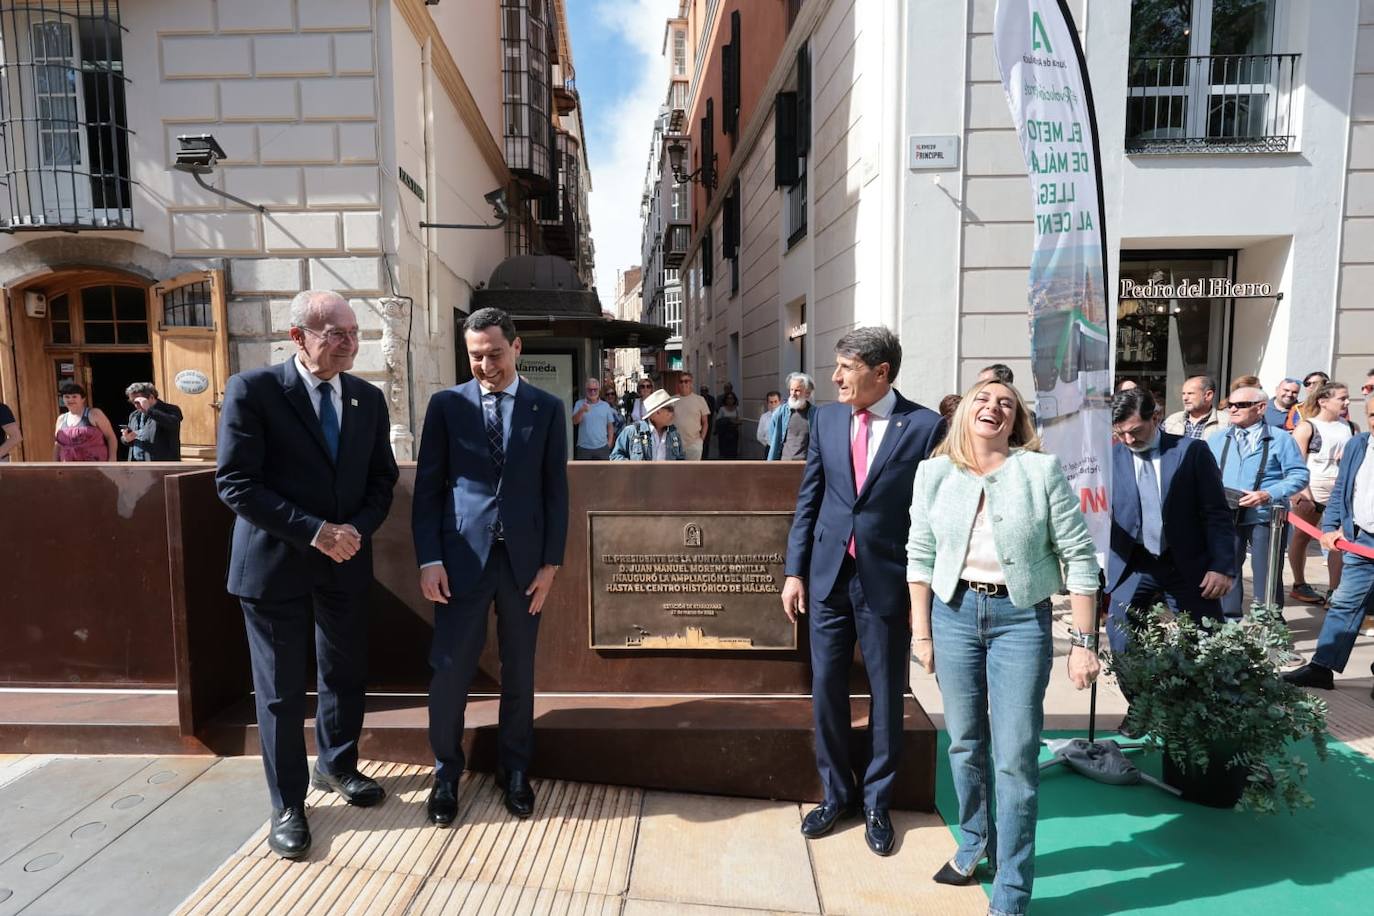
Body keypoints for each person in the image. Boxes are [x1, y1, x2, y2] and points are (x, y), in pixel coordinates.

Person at [215, 289, 399, 859]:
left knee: (343, 672)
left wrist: (355, 531)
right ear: (298, 337)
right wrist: (317, 530)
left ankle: (338, 768)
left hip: (344, 561)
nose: (348, 343)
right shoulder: (256, 390)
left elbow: (381, 481)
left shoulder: (368, 398)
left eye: (353, 332)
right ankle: (288, 802)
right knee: (280, 692)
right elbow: (236, 483)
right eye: (334, 333)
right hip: (274, 566)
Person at [907, 379, 1099, 910]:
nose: (994, 408)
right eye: (985, 400)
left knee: (1014, 756)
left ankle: (1012, 888)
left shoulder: (1038, 471)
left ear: (1016, 422)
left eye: (1007, 405)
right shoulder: (934, 472)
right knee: (965, 742)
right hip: (953, 615)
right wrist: (921, 632)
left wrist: (1084, 644)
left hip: (1021, 619)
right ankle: (974, 842)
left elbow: (1080, 559)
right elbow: (919, 555)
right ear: (966, 411)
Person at [781, 327, 944, 857]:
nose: (834, 378)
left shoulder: (923, 426)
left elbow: (935, 511)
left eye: (845, 368)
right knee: (825, 686)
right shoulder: (826, 419)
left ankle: (877, 801)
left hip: (886, 579)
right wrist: (794, 571)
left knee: (885, 693)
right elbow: (810, 499)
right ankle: (836, 794)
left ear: (881, 372)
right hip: (828, 577)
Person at [413, 307, 569, 828]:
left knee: (520, 671)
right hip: (459, 564)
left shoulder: (546, 408)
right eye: (475, 356)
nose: (485, 365)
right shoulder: (445, 407)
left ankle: (515, 770)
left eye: (494, 354)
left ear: (517, 348)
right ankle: (445, 772)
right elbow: (429, 490)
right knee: (450, 672)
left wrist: (551, 564)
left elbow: (555, 492)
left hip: (524, 565)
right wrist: (429, 558)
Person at [1107, 388, 1236, 655]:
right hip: (1134, 564)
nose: (1129, 439)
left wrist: (1222, 566)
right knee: (1121, 637)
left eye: (1135, 431)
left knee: (1207, 644)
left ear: (1155, 418)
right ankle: (1140, 696)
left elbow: (1216, 513)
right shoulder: (1110, 460)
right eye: (1121, 433)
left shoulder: (1192, 452)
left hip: (1188, 564)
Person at [1283, 395, 1374, 692]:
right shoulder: (1358, 444)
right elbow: (1341, 492)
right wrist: (1333, 526)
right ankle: (1322, 668)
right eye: (1372, 415)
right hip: (1361, 541)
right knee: (1344, 603)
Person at [1207, 386, 1309, 619]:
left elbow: (1299, 475)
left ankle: (1269, 625)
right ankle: (1228, 624)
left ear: (1260, 408)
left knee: (1267, 574)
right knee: (1226, 569)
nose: (1232, 409)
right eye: (1229, 404)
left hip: (1266, 517)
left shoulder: (1281, 438)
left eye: (1240, 405)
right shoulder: (1218, 438)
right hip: (1227, 515)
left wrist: (1268, 493)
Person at [1288, 382, 1355, 605]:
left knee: (1337, 539)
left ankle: (1333, 590)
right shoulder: (1307, 426)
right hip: (1312, 487)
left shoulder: (1350, 427)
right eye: (1341, 398)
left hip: (1340, 490)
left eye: (1347, 398)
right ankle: (1299, 583)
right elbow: (1296, 462)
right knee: (1302, 536)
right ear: (1323, 401)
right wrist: (1302, 493)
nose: (1346, 402)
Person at [610, 388, 685, 460]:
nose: (673, 413)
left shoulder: (674, 434)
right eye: (670, 409)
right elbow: (615, 456)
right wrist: (632, 468)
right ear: (657, 412)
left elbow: (680, 460)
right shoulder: (632, 432)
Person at [53, 382, 117, 462]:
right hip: (68, 465)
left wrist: (112, 459)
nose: (70, 399)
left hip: (95, 465)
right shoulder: (61, 419)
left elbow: (110, 437)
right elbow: (58, 445)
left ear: (83, 399)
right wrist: (55, 465)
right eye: (67, 397)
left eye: (74, 396)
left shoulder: (94, 414)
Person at [121, 383, 183, 461]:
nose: (136, 405)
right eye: (133, 402)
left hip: (162, 466)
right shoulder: (134, 415)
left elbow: (173, 424)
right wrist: (126, 439)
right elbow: (132, 439)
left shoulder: (170, 410)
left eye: (138, 401)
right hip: (137, 466)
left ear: (151, 397)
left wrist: (149, 411)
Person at [1162, 375, 1228, 441]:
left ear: (1208, 395)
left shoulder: (1226, 422)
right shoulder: (1172, 421)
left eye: (1190, 393)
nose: (1185, 398)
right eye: (1183, 394)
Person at [766, 372, 815, 461]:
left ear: (807, 393)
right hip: (784, 464)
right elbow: (771, 439)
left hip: (806, 465)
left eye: (797, 390)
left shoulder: (815, 414)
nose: (793, 393)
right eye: (791, 389)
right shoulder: (780, 413)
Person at [571, 377, 617, 460]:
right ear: (586, 390)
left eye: (595, 389)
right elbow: (574, 422)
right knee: (584, 473)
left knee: (603, 473)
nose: (593, 392)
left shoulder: (605, 406)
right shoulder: (579, 404)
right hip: (584, 448)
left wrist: (609, 443)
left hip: (602, 447)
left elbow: (610, 426)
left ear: (599, 390)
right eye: (590, 390)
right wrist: (581, 410)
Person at [672, 373, 710, 460]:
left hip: (694, 444)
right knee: (676, 472)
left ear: (691, 383)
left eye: (686, 381)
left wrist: (701, 440)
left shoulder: (700, 400)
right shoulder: (672, 400)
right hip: (675, 444)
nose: (683, 384)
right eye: (681, 382)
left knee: (693, 472)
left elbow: (705, 422)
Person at [715, 390, 742, 459]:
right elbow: (718, 420)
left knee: (733, 453)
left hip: (733, 433)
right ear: (725, 400)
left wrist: (734, 422)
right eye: (728, 398)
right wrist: (729, 420)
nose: (730, 400)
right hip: (724, 434)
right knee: (724, 453)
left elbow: (740, 421)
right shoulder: (722, 409)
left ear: (734, 399)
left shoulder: (737, 409)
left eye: (732, 398)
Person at [700, 385, 718, 459]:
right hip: (698, 423)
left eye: (705, 391)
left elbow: (712, 410)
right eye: (702, 391)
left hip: (708, 422)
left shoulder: (711, 399)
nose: (704, 392)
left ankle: (705, 456)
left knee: (707, 440)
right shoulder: (698, 399)